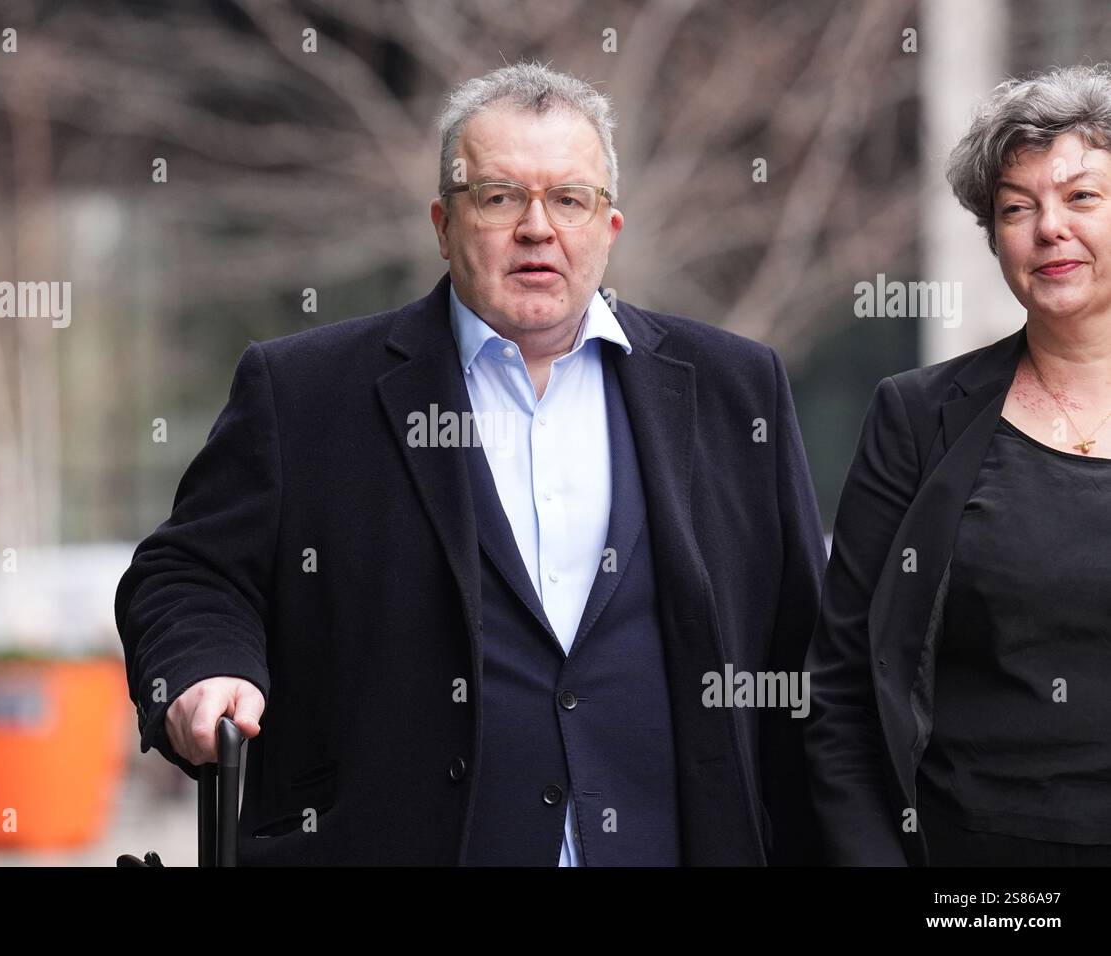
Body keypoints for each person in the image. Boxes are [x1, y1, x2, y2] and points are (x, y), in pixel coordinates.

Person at [115, 61, 826, 866]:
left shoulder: (738, 389)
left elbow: (804, 656)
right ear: (443, 224)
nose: (537, 228)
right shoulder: (304, 392)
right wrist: (206, 670)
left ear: (609, 226)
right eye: (499, 197)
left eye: (569, 199)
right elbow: (188, 573)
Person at [806, 63, 1111, 866]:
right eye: (1016, 208)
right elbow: (843, 690)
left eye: (1081, 197)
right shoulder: (917, 418)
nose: (1049, 228)